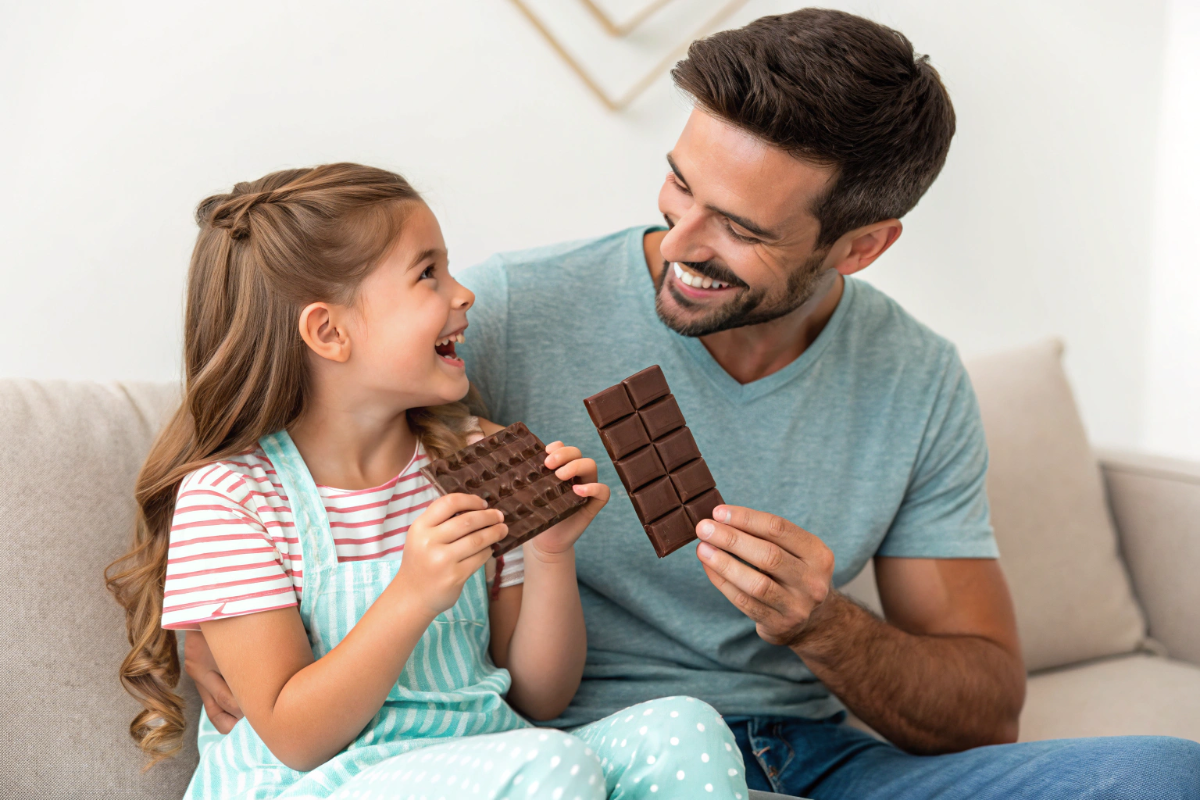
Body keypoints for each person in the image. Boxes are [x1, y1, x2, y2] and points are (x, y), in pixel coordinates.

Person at [185, 10, 1200, 800]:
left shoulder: (916, 377)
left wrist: (827, 626)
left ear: (859, 245)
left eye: (738, 227)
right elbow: (291, 401)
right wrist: (210, 627)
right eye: (679, 186)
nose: (678, 240)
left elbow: (984, 706)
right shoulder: (509, 315)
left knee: (1166, 773)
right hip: (590, 754)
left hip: (821, 756)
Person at [105, 163, 749, 799]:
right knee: (550, 767)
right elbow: (294, 737)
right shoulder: (234, 499)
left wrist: (551, 552)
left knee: (686, 730)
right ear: (329, 331)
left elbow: (541, 697)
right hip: (319, 784)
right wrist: (413, 593)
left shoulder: (475, 457)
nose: (463, 293)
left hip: (491, 756)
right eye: (427, 274)